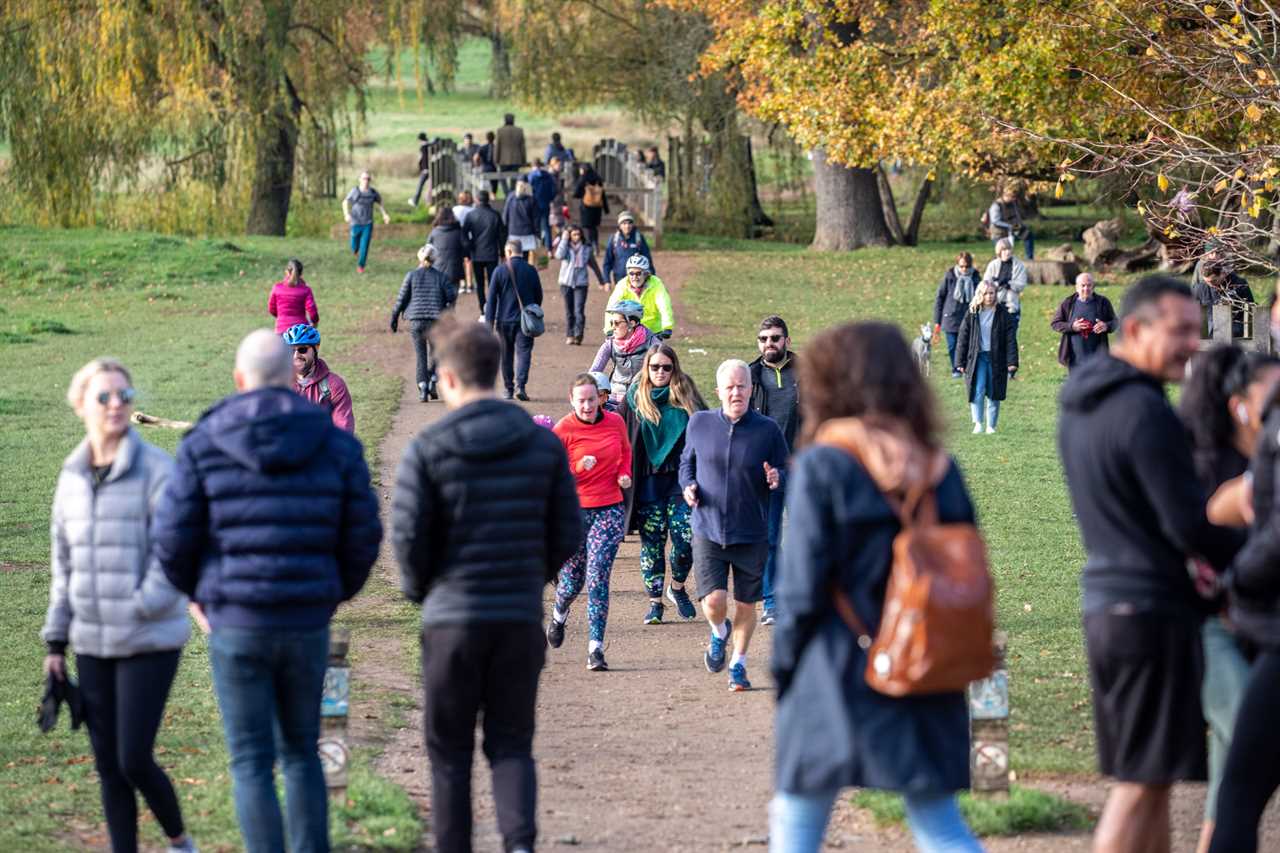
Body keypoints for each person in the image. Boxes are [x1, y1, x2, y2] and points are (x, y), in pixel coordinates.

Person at [154, 330, 382, 853]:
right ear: (290, 377)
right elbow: (365, 532)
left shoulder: (205, 439)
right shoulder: (336, 444)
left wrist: (201, 598)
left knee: (251, 759)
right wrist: (334, 594)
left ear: (239, 380)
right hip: (306, 620)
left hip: (235, 621)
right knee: (302, 751)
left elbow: (171, 537)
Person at [769, 321, 984, 853]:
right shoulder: (937, 466)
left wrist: (784, 666)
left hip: (836, 664)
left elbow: (800, 589)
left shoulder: (824, 463)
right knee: (939, 824)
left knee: (798, 816)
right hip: (924, 659)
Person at [1058, 276, 1237, 853]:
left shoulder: (1086, 401)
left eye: (1198, 328)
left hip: (1111, 601)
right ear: (1134, 329)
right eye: (1181, 330)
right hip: (1149, 608)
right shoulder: (1144, 410)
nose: (1194, 342)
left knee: (1151, 780)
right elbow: (1187, 524)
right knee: (1138, 785)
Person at [391, 316, 581, 853]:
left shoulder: (427, 448)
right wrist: (532, 578)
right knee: (512, 745)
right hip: (518, 619)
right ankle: (519, 844)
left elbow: (407, 539)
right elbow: (568, 532)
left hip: (451, 619)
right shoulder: (541, 446)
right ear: (496, 371)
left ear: (448, 379)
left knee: (449, 755)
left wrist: (424, 591)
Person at [43, 358, 196, 853]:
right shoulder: (70, 477)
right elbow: (62, 566)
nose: (116, 405)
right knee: (108, 764)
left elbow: (174, 553)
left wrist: (138, 604)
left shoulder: (157, 470)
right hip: (91, 639)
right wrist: (55, 642)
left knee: (133, 757)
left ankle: (179, 842)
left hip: (149, 635)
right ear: (80, 405)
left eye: (124, 396)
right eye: (104, 396)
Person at [1177, 346, 1280, 853]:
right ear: (1239, 403)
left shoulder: (1266, 457)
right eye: (1272, 390)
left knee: (1232, 767)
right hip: (1211, 622)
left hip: (1257, 624)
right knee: (1243, 738)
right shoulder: (1205, 462)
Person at [679, 359, 787, 691]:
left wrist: (776, 477)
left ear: (751, 390)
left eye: (742, 386)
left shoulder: (767, 430)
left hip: (751, 529)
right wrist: (688, 486)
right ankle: (718, 632)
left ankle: (738, 665)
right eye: (729, 386)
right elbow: (686, 463)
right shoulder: (699, 423)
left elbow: (786, 468)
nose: (736, 392)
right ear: (718, 391)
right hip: (708, 527)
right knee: (713, 602)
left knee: (745, 604)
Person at [545, 374, 633, 670]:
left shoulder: (615, 422)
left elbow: (626, 452)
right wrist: (578, 468)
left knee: (598, 578)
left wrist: (623, 473)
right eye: (581, 400)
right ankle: (559, 613)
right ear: (572, 400)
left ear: (601, 399)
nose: (586, 406)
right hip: (573, 512)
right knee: (571, 582)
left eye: (591, 400)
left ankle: (596, 648)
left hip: (609, 508)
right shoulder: (563, 430)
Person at [621, 344, 707, 625]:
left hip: (681, 482)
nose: (660, 372)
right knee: (652, 543)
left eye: (666, 367)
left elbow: (708, 430)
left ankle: (677, 587)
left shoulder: (685, 395)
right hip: (647, 482)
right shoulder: (634, 399)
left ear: (674, 369)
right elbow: (617, 436)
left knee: (686, 538)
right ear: (646, 368)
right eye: (655, 367)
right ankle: (654, 603)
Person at [748, 316, 799, 626]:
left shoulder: (806, 372)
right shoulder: (751, 375)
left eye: (775, 338)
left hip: (803, 466)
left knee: (807, 534)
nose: (769, 344)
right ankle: (771, 601)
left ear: (787, 341)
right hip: (767, 469)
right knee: (769, 538)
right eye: (764, 339)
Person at [391, 243, 457, 403]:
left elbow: (401, 299)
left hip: (416, 322)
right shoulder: (440, 277)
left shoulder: (411, 276)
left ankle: (422, 388)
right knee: (435, 353)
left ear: (419, 258)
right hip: (436, 321)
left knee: (420, 356)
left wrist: (394, 318)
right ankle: (433, 379)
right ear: (434, 259)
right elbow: (452, 295)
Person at [955, 281, 1018, 434]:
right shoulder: (972, 313)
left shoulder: (1003, 313)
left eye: (992, 293)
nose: (989, 296)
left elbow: (1011, 339)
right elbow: (963, 337)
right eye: (986, 293)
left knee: (993, 391)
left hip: (997, 358)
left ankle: (991, 426)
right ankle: (977, 423)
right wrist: (959, 361)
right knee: (978, 389)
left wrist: (1012, 361)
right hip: (977, 358)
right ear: (980, 295)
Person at [485, 239, 543, 401]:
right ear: (521, 252)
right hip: (525, 321)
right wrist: (531, 310)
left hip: (504, 320)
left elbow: (491, 300)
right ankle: (521, 386)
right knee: (524, 352)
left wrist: (489, 325)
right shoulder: (531, 270)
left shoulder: (499, 270)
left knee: (506, 354)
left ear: (509, 252)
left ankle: (508, 389)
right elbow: (539, 295)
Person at [283, 323, 355, 434]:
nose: (296, 355)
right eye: (291, 350)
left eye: (302, 349)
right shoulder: (280, 384)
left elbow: (344, 427)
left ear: (315, 349)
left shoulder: (333, 385)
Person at [590, 299, 655, 403]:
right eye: (611, 323)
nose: (612, 327)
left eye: (616, 323)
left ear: (632, 323)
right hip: (614, 397)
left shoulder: (652, 343)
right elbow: (593, 373)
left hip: (642, 398)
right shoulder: (610, 344)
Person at [1051, 272, 1116, 373]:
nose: (1086, 289)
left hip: (1098, 357)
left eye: (1089, 285)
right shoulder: (1068, 303)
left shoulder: (1103, 302)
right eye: (1083, 285)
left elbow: (1115, 323)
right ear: (1077, 287)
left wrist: (1106, 326)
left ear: (1093, 286)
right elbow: (1055, 323)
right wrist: (1072, 326)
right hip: (1074, 358)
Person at [555, 223, 605, 345]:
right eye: (573, 234)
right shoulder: (566, 247)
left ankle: (578, 335)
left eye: (578, 234)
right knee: (569, 311)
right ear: (570, 236)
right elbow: (558, 255)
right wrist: (564, 239)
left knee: (579, 310)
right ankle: (570, 334)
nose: (576, 237)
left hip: (581, 284)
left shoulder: (586, 248)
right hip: (566, 283)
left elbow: (593, 265)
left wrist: (601, 281)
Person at [602, 254, 673, 339]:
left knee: (657, 352)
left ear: (646, 274)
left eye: (638, 273)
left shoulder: (656, 284)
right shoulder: (622, 285)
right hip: (631, 330)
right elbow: (612, 307)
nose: (634, 277)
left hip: (652, 331)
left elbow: (664, 306)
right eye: (631, 273)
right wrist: (609, 329)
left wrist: (667, 327)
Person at [931, 251, 978, 378]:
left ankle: (966, 367)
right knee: (952, 345)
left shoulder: (975, 277)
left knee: (966, 345)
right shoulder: (950, 276)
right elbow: (940, 298)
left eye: (966, 266)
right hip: (950, 317)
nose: (964, 269)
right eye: (961, 266)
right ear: (957, 265)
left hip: (968, 317)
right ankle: (956, 368)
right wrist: (937, 321)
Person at [463, 189, 505, 314]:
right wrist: (502, 252)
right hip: (492, 253)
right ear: (488, 200)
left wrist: (469, 248)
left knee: (480, 284)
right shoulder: (495, 215)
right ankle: (493, 308)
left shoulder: (471, 215)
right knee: (493, 283)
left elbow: (464, 234)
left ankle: (483, 309)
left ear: (477, 200)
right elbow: (501, 236)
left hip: (476, 253)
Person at [342, 170, 391, 274]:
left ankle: (361, 266)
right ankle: (355, 250)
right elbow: (345, 202)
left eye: (368, 179)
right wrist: (346, 214)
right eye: (364, 178)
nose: (366, 181)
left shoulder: (372, 193)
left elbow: (380, 202)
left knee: (364, 245)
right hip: (355, 222)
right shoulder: (355, 191)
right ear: (360, 180)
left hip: (368, 223)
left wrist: (385, 214)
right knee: (354, 245)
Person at [1193, 261, 1256, 339]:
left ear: (1223, 274)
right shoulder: (1200, 288)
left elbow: (1251, 307)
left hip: (1235, 325)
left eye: (1214, 281)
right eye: (1207, 282)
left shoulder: (1239, 284)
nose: (1211, 285)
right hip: (1209, 326)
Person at [982, 238, 1027, 339]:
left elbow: (1021, 284)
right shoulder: (993, 265)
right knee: (994, 336)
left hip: (1011, 306)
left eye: (1009, 249)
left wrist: (1009, 284)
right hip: (994, 305)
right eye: (1004, 250)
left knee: (1010, 337)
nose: (1007, 252)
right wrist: (996, 284)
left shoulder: (1019, 265)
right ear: (999, 252)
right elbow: (985, 283)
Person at [267, 258, 319, 334]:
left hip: (281, 330)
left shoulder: (277, 288)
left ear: (286, 272)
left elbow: (272, 309)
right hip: (301, 332)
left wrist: (282, 317)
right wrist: (314, 323)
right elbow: (312, 311)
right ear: (301, 274)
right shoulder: (306, 290)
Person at [602, 211, 655, 285]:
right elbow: (607, 262)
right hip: (619, 280)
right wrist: (606, 280)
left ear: (633, 224)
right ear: (620, 225)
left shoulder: (639, 238)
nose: (627, 226)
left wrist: (652, 277)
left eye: (629, 223)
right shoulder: (614, 239)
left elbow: (647, 259)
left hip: (637, 280)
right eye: (624, 223)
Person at [428, 205, 470, 297]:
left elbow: (428, 250)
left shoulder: (434, 232)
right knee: (452, 299)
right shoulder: (459, 232)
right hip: (455, 270)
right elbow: (466, 248)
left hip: (437, 270)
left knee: (439, 299)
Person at [987, 186, 1034, 259]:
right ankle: (997, 264)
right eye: (1012, 197)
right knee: (1002, 251)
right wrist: (1009, 226)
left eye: (1014, 197)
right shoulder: (996, 205)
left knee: (1028, 235)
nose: (1014, 199)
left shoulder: (1013, 203)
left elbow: (1017, 215)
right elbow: (995, 221)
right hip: (999, 232)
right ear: (1006, 196)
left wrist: (1020, 225)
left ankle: (1029, 258)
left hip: (1012, 228)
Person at [572, 162, 609, 248]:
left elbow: (576, 193)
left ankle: (589, 244)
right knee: (594, 227)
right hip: (597, 207)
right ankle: (595, 244)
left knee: (587, 227)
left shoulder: (584, 178)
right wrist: (606, 208)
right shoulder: (598, 178)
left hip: (586, 206)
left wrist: (582, 194)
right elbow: (602, 194)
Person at [502, 180, 539, 261]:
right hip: (527, 233)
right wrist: (537, 232)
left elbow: (505, 216)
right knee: (525, 257)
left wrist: (505, 229)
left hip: (513, 232)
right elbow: (536, 218)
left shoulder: (510, 198)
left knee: (513, 256)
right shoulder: (531, 199)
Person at [527, 159, 557, 249]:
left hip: (535, 204)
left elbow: (529, 191)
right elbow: (553, 190)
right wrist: (550, 199)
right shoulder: (548, 175)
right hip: (546, 203)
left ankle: (538, 247)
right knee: (547, 227)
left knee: (536, 226)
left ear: (533, 166)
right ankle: (549, 249)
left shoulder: (531, 176)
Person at [494, 113, 527, 196]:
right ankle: (512, 193)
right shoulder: (519, 130)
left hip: (503, 160)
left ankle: (507, 193)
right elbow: (522, 147)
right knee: (514, 179)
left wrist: (496, 160)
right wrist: (524, 160)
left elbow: (498, 147)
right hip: (516, 159)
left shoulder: (500, 131)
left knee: (501, 177)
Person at [409, 132, 432, 208]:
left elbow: (423, 159)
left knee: (420, 186)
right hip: (430, 170)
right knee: (430, 186)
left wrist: (423, 168)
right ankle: (428, 201)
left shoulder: (423, 147)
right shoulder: (430, 145)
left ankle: (415, 201)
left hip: (426, 170)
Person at [477, 131, 499, 196]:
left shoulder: (482, 147)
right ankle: (493, 199)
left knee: (484, 188)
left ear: (486, 138)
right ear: (494, 138)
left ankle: (484, 199)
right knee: (494, 188)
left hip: (485, 169)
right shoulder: (496, 148)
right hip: (493, 169)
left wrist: (478, 164)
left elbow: (476, 157)